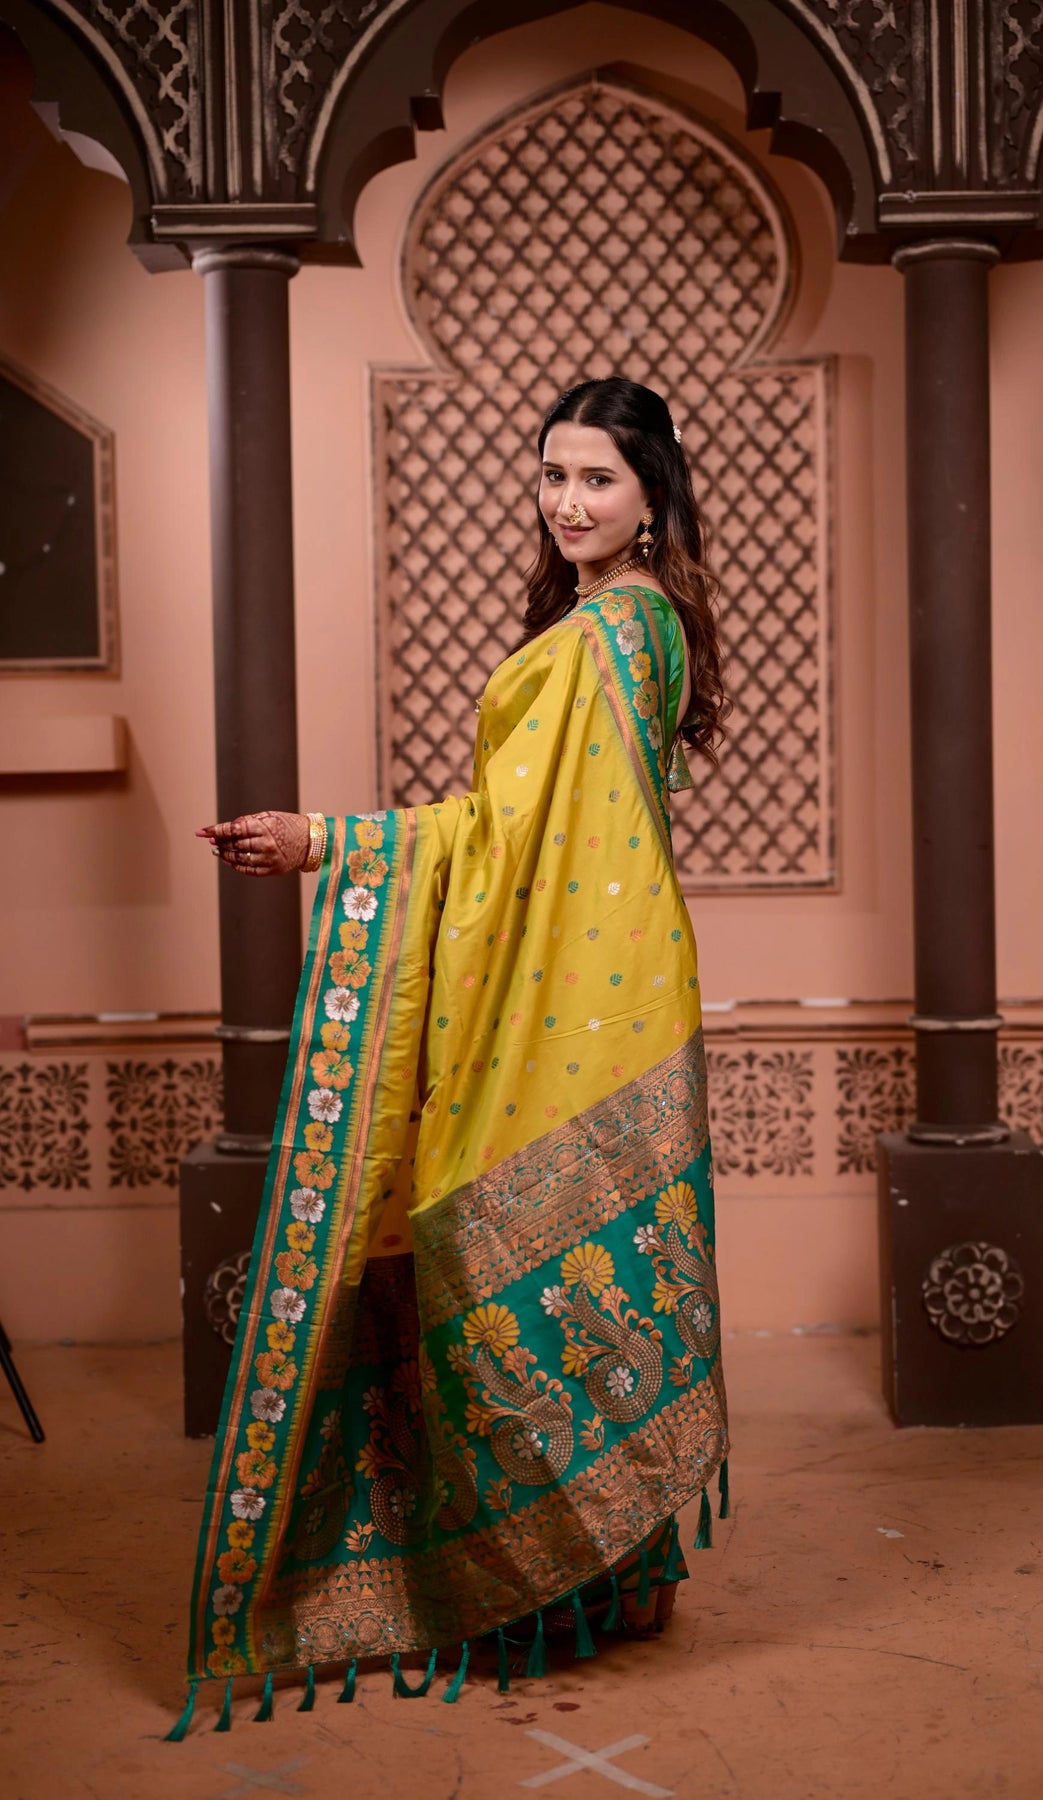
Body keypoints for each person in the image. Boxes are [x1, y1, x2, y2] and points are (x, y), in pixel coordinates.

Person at [174, 376, 731, 1735]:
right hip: (601, 982)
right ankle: (605, 1577)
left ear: (652, 493)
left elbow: (511, 838)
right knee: (542, 1266)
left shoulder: (616, 630)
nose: (569, 500)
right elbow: (514, 830)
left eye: (597, 478)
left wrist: (333, 845)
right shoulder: (628, 626)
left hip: (571, 1004)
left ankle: (548, 1586)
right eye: (553, 475)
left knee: (499, 1269)